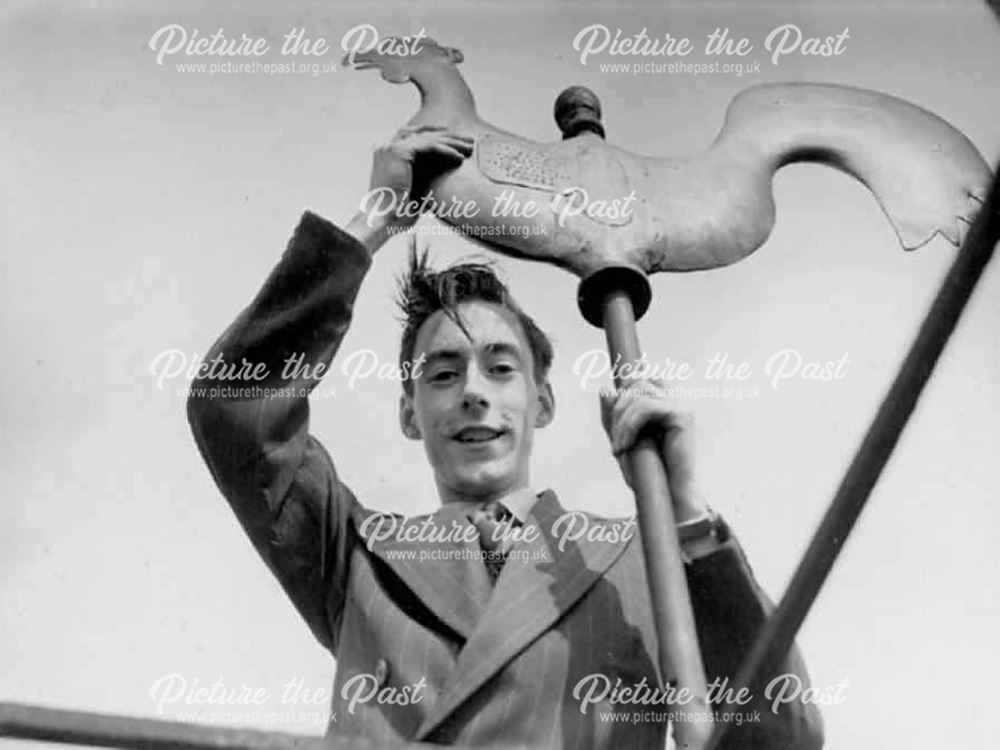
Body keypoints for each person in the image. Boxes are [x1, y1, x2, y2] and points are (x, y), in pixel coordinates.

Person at [187, 125, 824, 748]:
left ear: (541, 403)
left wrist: (683, 508)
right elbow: (233, 407)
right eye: (443, 374)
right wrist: (375, 219)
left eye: (500, 367)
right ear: (410, 415)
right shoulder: (354, 556)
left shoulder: (641, 557)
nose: (473, 391)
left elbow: (780, 736)